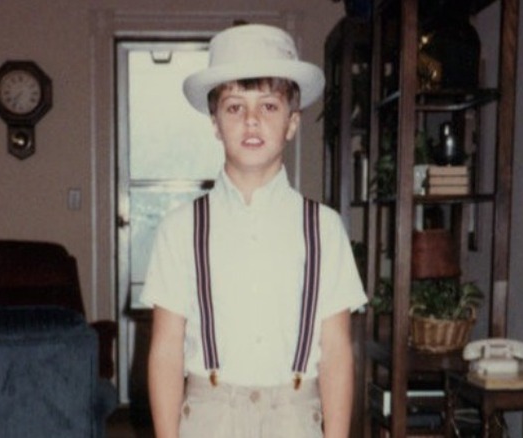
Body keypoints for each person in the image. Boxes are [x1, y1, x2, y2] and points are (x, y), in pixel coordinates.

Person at [140, 23, 366, 438]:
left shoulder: (325, 230)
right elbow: (167, 350)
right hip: (208, 417)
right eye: (233, 107)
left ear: (292, 123)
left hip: (296, 417)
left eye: (268, 106)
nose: (251, 120)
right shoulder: (180, 229)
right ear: (214, 123)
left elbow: (335, 353)